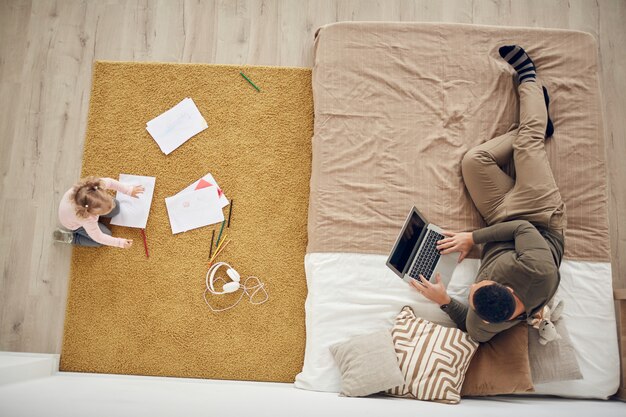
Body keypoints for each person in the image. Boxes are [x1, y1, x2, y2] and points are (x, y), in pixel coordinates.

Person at [411, 45, 566, 343]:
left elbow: (472, 330)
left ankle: (537, 122)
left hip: (498, 220)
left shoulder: (484, 321)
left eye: (472, 292)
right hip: (540, 217)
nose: (472, 287)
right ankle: (529, 79)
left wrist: (443, 300)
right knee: (527, 146)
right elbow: (523, 228)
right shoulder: (540, 272)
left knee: (473, 161)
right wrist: (472, 238)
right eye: (479, 286)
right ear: (508, 289)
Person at [54, 176, 144, 248]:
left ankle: (106, 205)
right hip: (73, 224)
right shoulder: (87, 219)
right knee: (102, 238)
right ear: (92, 213)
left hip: (80, 207)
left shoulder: (94, 187)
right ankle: (73, 238)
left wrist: (128, 190)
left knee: (116, 207)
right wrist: (120, 242)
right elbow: (99, 237)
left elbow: (111, 182)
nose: (112, 205)